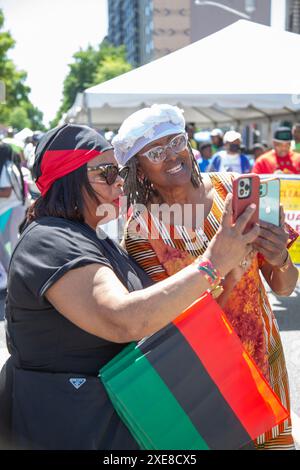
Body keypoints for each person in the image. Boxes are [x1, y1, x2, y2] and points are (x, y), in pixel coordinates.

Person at [0, 123, 257, 450]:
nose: (120, 179)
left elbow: (158, 321)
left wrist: (228, 277)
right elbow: (123, 320)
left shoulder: (93, 237)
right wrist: (212, 262)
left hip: (106, 418)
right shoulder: (49, 240)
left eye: (119, 170)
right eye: (106, 172)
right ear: (69, 178)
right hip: (68, 425)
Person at [112, 104, 299, 450]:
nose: (172, 156)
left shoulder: (236, 192)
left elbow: (285, 287)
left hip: (264, 365)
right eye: (156, 151)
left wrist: (280, 257)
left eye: (176, 142)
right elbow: (166, 320)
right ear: (139, 170)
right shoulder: (142, 231)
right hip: (205, 379)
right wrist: (224, 267)